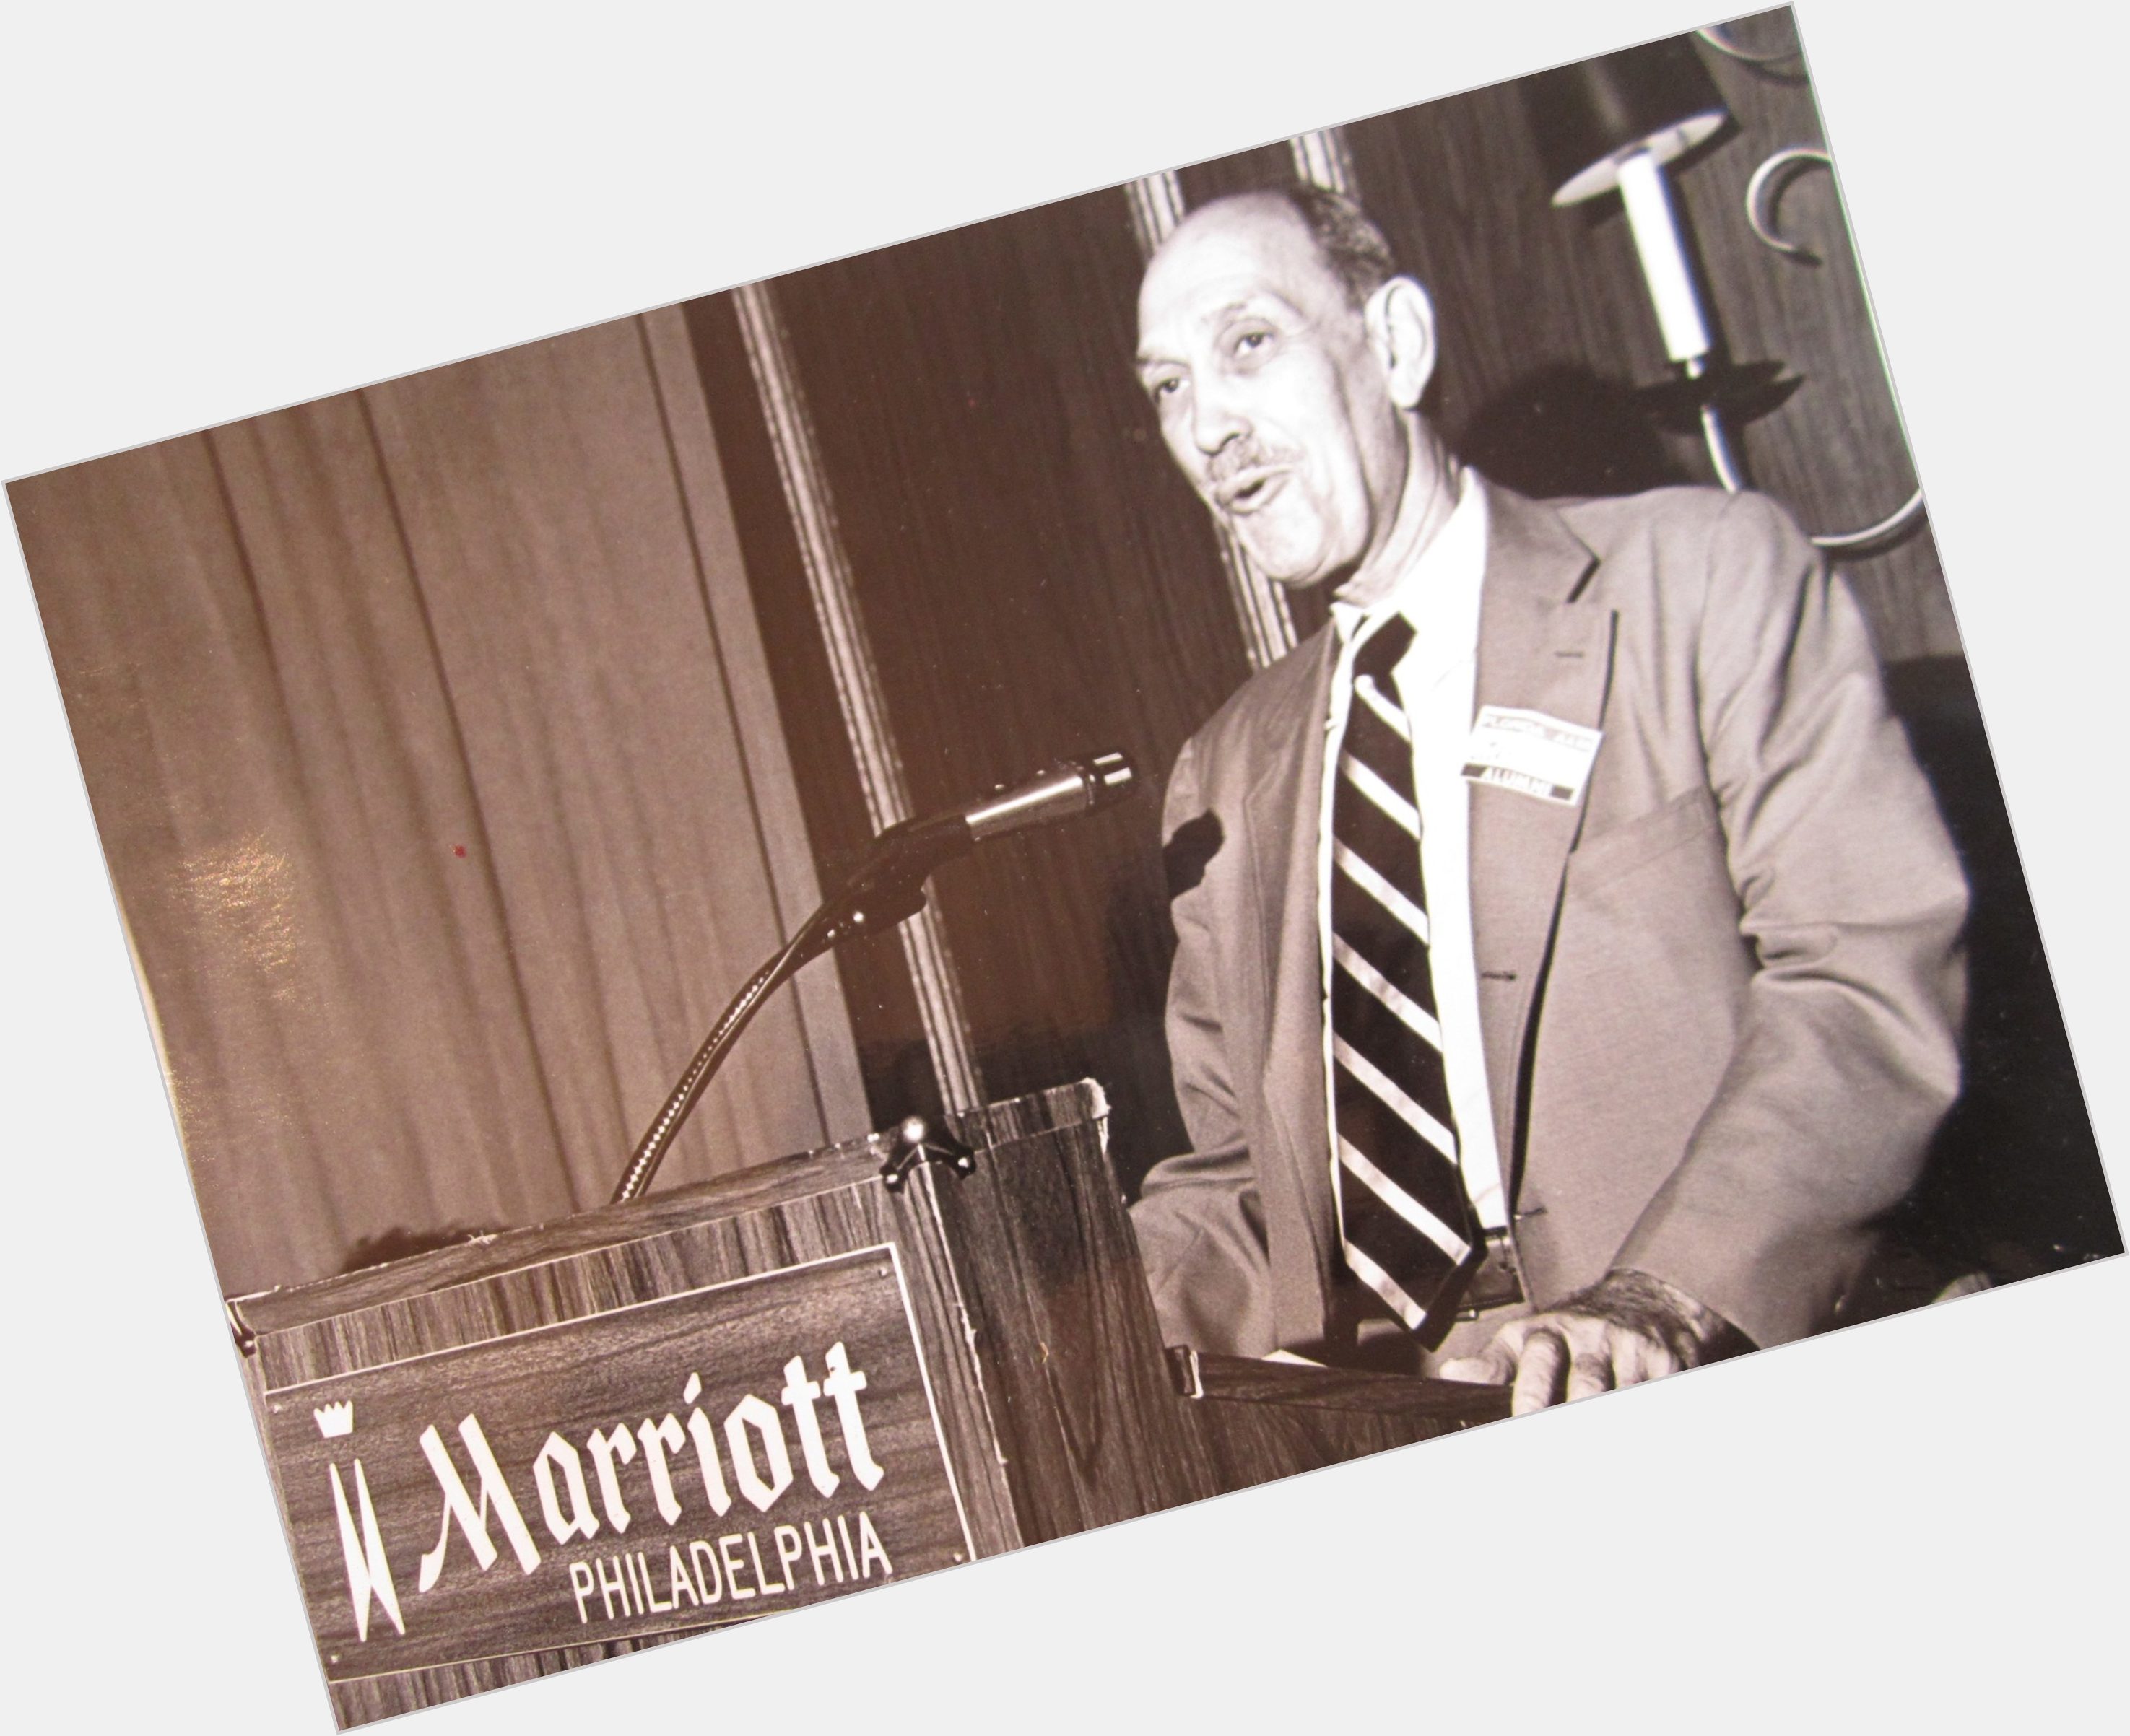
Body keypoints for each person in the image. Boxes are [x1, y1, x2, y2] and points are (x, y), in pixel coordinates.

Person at [1126, 186, 1967, 1412]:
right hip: (1392, 1411)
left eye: (1248, 344)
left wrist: (1660, 1294)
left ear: (1396, 343)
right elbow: (1237, 1179)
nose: (1207, 426)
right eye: (1166, 386)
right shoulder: (1221, 769)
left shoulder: (1700, 577)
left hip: (1702, 1347)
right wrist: (1060, 1342)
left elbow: (1863, 978)